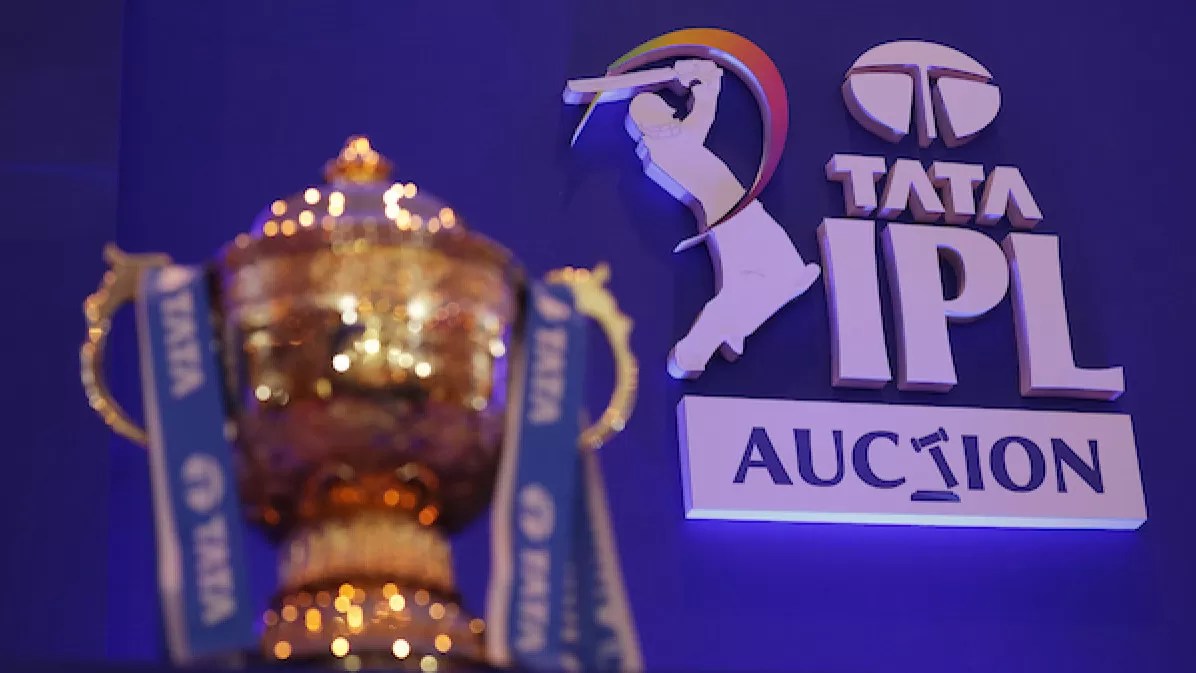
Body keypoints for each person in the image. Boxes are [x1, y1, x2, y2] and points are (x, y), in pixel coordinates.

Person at [626, 59, 822, 378]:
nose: (672, 117)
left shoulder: (671, 141)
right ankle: (697, 348)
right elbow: (701, 119)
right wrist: (706, 85)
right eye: (664, 114)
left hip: (733, 210)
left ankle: (733, 329)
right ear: (650, 122)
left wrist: (705, 82)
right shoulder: (667, 146)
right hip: (730, 215)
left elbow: (699, 119)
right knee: (760, 276)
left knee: (770, 271)